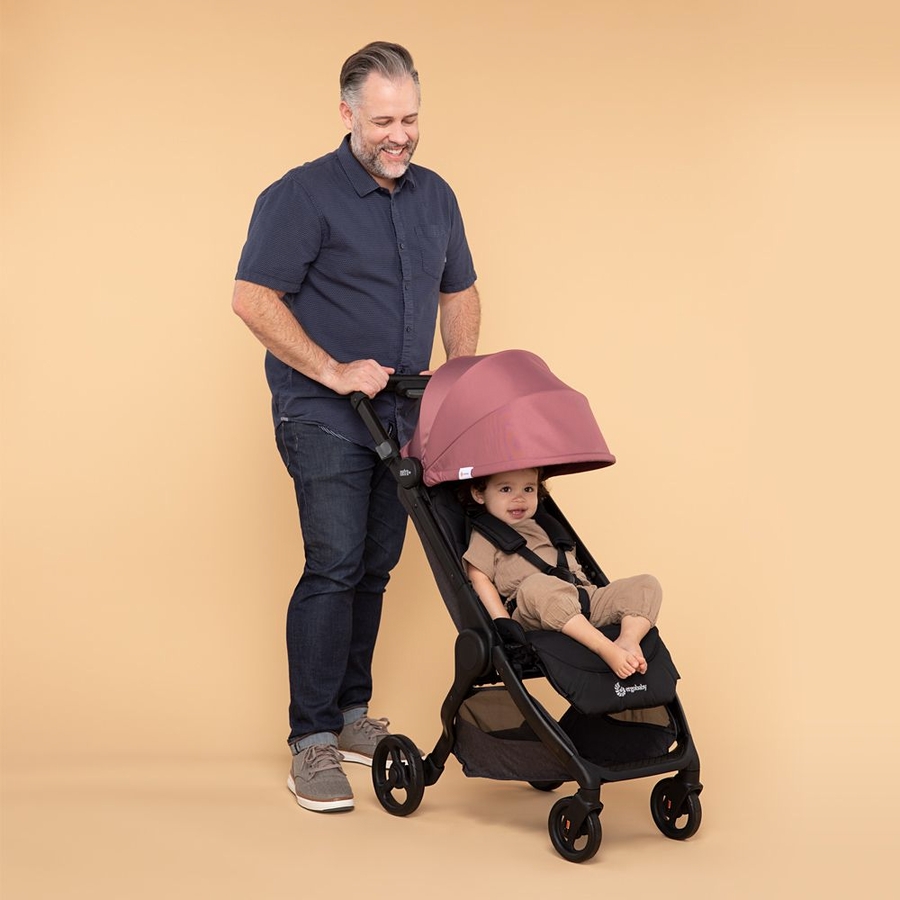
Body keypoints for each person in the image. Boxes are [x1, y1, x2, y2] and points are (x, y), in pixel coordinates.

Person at [232, 41, 480, 814]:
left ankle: (348, 715)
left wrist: (460, 377)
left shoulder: (437, 196)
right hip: (324, 417)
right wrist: (334, 370)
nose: (399, 136)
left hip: (402, 418)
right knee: (335, 565)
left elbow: (460, 290)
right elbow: (252, 297)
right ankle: (310, 739)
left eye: (410, 119)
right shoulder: (301, 195)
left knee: (375, 567)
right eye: (382, 122)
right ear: (347, 115)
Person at [463, 468, 661, 680]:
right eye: (506, 489)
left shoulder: (548, 526)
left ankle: (628, 639)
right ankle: (604, 647)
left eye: (528, 489)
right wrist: (503, 623)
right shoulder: (486, 535)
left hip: (582, 597)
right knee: (537, 584)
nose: (519, 498)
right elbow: (479, 578)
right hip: (534, 609)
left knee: (646, 584)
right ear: (479, 494)